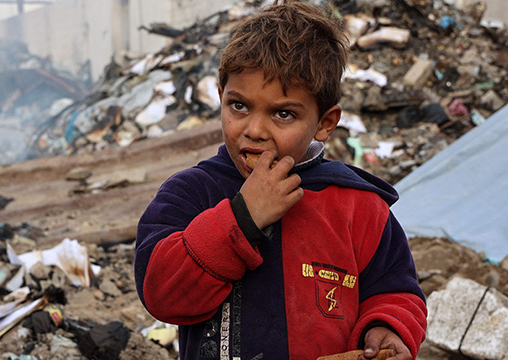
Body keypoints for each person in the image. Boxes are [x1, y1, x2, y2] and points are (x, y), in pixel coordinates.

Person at [134, 1, 428, 359]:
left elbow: (396, 291)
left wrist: (385, 328)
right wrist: (242, 218)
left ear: (325, 122)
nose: (254, 130)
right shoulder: (193, 193)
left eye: (283, 113)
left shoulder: (358, 207)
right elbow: (161, 295)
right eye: (238, 106)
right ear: (220, 96)